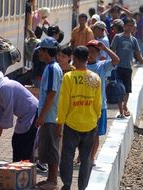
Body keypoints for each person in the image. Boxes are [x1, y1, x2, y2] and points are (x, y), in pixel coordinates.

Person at [58, 46, 102, 190]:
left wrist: (60, 123)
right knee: (86, 160)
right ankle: (82, 187)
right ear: (87, 58)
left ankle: (67, 184)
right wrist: (95, 121)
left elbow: (64, 102)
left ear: (75, 58)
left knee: (67, 157)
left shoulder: (69, 77)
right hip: (90, 124)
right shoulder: (95, 78)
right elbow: (98, 104)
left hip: (72, 125)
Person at [0, 68, 38, 162]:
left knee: (23, 143)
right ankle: (19, 168)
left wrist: (0, 128)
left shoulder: (5, 87)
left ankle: (23, 170)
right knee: (18, 142)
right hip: (25, 115)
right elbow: (1, 112)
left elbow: (8, 111)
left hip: (31, 113)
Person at [35, 37, 63, 189]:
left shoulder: (52, 68)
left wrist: (42, 116)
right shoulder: (52, 67)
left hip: (51, 116)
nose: (39, 53)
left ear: (46, 51)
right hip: (51, 115)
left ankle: (52, 180)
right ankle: (50, 179)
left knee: (51, 147)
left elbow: (51, 93)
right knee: (49, 146)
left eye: (40, 50)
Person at [86, 40, 120, 164]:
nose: (90, 54)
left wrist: (106, 49)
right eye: (88, 52)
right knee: (84, 134)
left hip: (100, 106)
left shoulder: (102, 65)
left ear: (98, 53)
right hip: (84, 106)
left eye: (93, 52)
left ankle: (91, 157)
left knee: (95, 134)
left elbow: (116, 60)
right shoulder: (80, 66)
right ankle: (82, 156)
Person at [111, 18, 143, 118]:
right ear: (124, 26)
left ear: (133, 28)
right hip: (118, 68)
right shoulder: (117, 37)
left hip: (128, 68)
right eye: (127, 25)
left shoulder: (133, 40)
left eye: (131, 26)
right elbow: (112, 51)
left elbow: (138, 54)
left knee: (127, 90)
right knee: (119, 89)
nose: (129, 27)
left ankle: (125, 105)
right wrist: (112, 64)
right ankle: (121, 112)